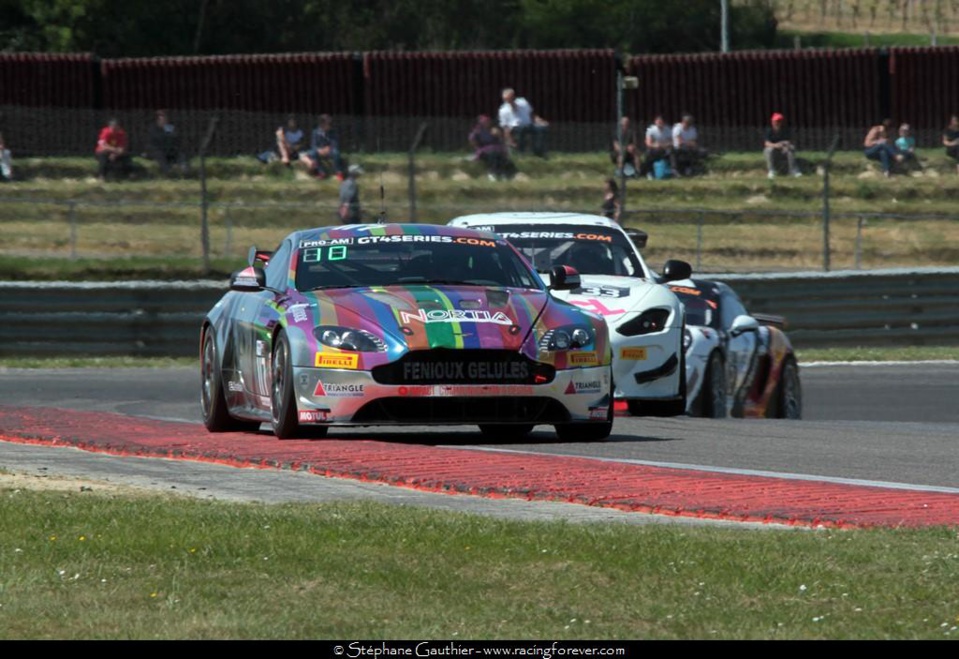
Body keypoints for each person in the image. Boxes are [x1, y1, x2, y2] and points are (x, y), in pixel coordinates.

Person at [498, 88, 549, 158]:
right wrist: (510, 140)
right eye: (506, 100)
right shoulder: (503, 110)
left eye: (510, 99)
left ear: (514, 97)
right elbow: (505, 127)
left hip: (529, 125)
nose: (509, 101)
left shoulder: (523, 102)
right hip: (514, 128)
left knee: (541, 129)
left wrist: (540, 121)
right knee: (522, 129)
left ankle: (538, 151)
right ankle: (521, 153)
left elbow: (531, 114)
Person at [468, 114, 513, 181]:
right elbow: (472, 140)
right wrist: (477, 148)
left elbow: (500, 141)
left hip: (496, 149)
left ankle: (502, 173)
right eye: (485, 122)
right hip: (484, 151)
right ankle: (492, 173)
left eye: (488, 122)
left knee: (500, 155)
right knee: (493, 155)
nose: (487, 123)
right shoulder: (477, 131)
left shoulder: (493, 130)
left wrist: (498, 134)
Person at [302, 114, 345, 180]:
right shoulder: (315, 132)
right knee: (313, 153)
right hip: (319, 151)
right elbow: (313, 145)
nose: (330, 126)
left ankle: (339, 172)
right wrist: (319, 150)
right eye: (328, 124)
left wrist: (328, 148)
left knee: (336, 153)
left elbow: (335, 144)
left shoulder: (332, 132)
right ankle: (321, 172)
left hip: (329, 150)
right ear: (322, 124)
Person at [146, 109, 188, 176]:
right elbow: (154, 142)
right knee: (159, 155)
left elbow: (174, 138)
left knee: (181, 154)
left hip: (169, 150)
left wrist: (167, 130)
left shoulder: (169, 127)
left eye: (164, 117)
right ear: (157, 119)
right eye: (161, 117)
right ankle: (168, 172)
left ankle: (185, 171)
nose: (163, 119)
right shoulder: (152, 128)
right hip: (157, 150)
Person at [763, 112, 801, 179]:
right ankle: (771, 170)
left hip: (783, 149)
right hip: (773, 149)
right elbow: (766, 143)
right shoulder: (769, 130)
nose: (777, 123)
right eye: (775, 121)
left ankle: (793, 170)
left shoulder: (786, 130)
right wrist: (775, 145)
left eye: (779, 121)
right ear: (772, 121)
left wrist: (786, 144)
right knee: (769, 150)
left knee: (791, 149)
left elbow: (790, 141)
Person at [640, 115, 673, 179]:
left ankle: (673, 171)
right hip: (654, 149)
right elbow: (648, 143)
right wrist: (655, 145)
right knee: (648, 155)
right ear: (655, 122)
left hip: (664, 149)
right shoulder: (651, 130)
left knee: (672, 153)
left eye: (661, 122)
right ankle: (649, 172)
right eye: (658, 122)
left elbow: (671, 142)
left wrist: (663, 145)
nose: (660, 123)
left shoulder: (668, 130)